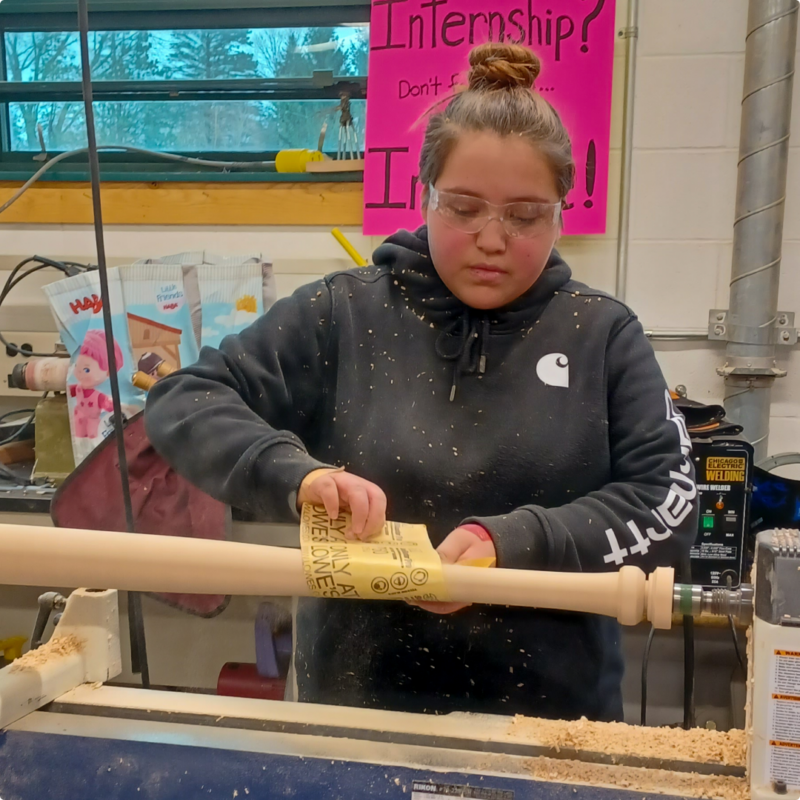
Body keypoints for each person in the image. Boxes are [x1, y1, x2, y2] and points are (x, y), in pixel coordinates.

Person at [145, 42, 697, 721]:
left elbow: (668, 507)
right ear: (425, 195)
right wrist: (298, 477)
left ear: (562, 210)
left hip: (551, 725)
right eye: (463, 208)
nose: (492, 238)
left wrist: (516, 544)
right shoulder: (344, 313)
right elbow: (185, 399)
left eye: (524, 216)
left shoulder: (603, 336)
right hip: (358, 711)